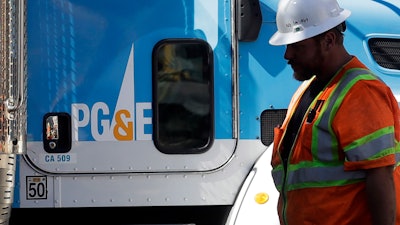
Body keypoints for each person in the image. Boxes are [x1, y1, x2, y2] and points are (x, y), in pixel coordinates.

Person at [268, 0, 400, 224]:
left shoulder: (360, 92)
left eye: (297, 46)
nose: (287, 55)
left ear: (328, 40)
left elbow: (380, 176)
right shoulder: (307, 91)